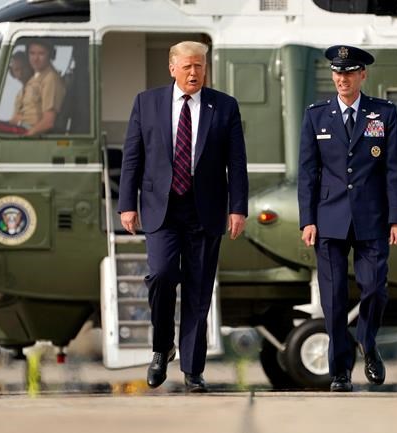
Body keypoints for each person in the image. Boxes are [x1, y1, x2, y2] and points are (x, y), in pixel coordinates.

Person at [118, 41, 249, 393]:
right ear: (172, 67)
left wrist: (238, 208)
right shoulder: (146, 103)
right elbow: (132, 157)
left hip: (205, 209)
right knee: (161, 275)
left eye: (200, 66)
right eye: (188, 66)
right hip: (161, 207)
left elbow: (236, 162)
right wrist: (127, 204)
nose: (194, 73)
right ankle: (162, 347)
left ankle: (193, 370)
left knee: (198, 290)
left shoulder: (224, 106)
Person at [298, 45, 397, 392]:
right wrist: (307, 219)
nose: (342, 79)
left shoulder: (383, 114)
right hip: (329, 218)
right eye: (337, 72)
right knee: (333, 299)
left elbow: (395, 170)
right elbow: (308, 172)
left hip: (372, 217)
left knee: (375, 287)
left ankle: (367, 340)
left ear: (362, 75)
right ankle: (340, 372)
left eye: (348, 73)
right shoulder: (316, 115)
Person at [10, 40, 65, 136]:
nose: (35, 59)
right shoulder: (34, 79)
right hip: (20, 128)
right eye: (32, 53)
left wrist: (25, 137)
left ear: (50, 55)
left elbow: (48, 122)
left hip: (30, 133)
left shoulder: (50, 79)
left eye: (41, 54)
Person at [8, 51, 34, 125]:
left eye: (23, 68)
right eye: (17, 70)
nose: (21, 73)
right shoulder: (19, 95)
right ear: (12, 73)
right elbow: (14, 120)